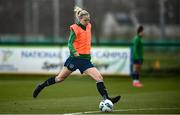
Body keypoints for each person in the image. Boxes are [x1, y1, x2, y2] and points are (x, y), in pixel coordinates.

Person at [33, 6, 121, 104]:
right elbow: (70, 43)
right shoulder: (75, 28)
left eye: (88, 20)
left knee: (99, 78)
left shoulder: (89, 26)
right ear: (79, 20)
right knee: (59, 78)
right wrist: (74, 51)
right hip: (75, 59)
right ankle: (41, 86)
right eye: (85, 20)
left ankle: (107, 99)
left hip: (86, 60)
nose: (87, 22)